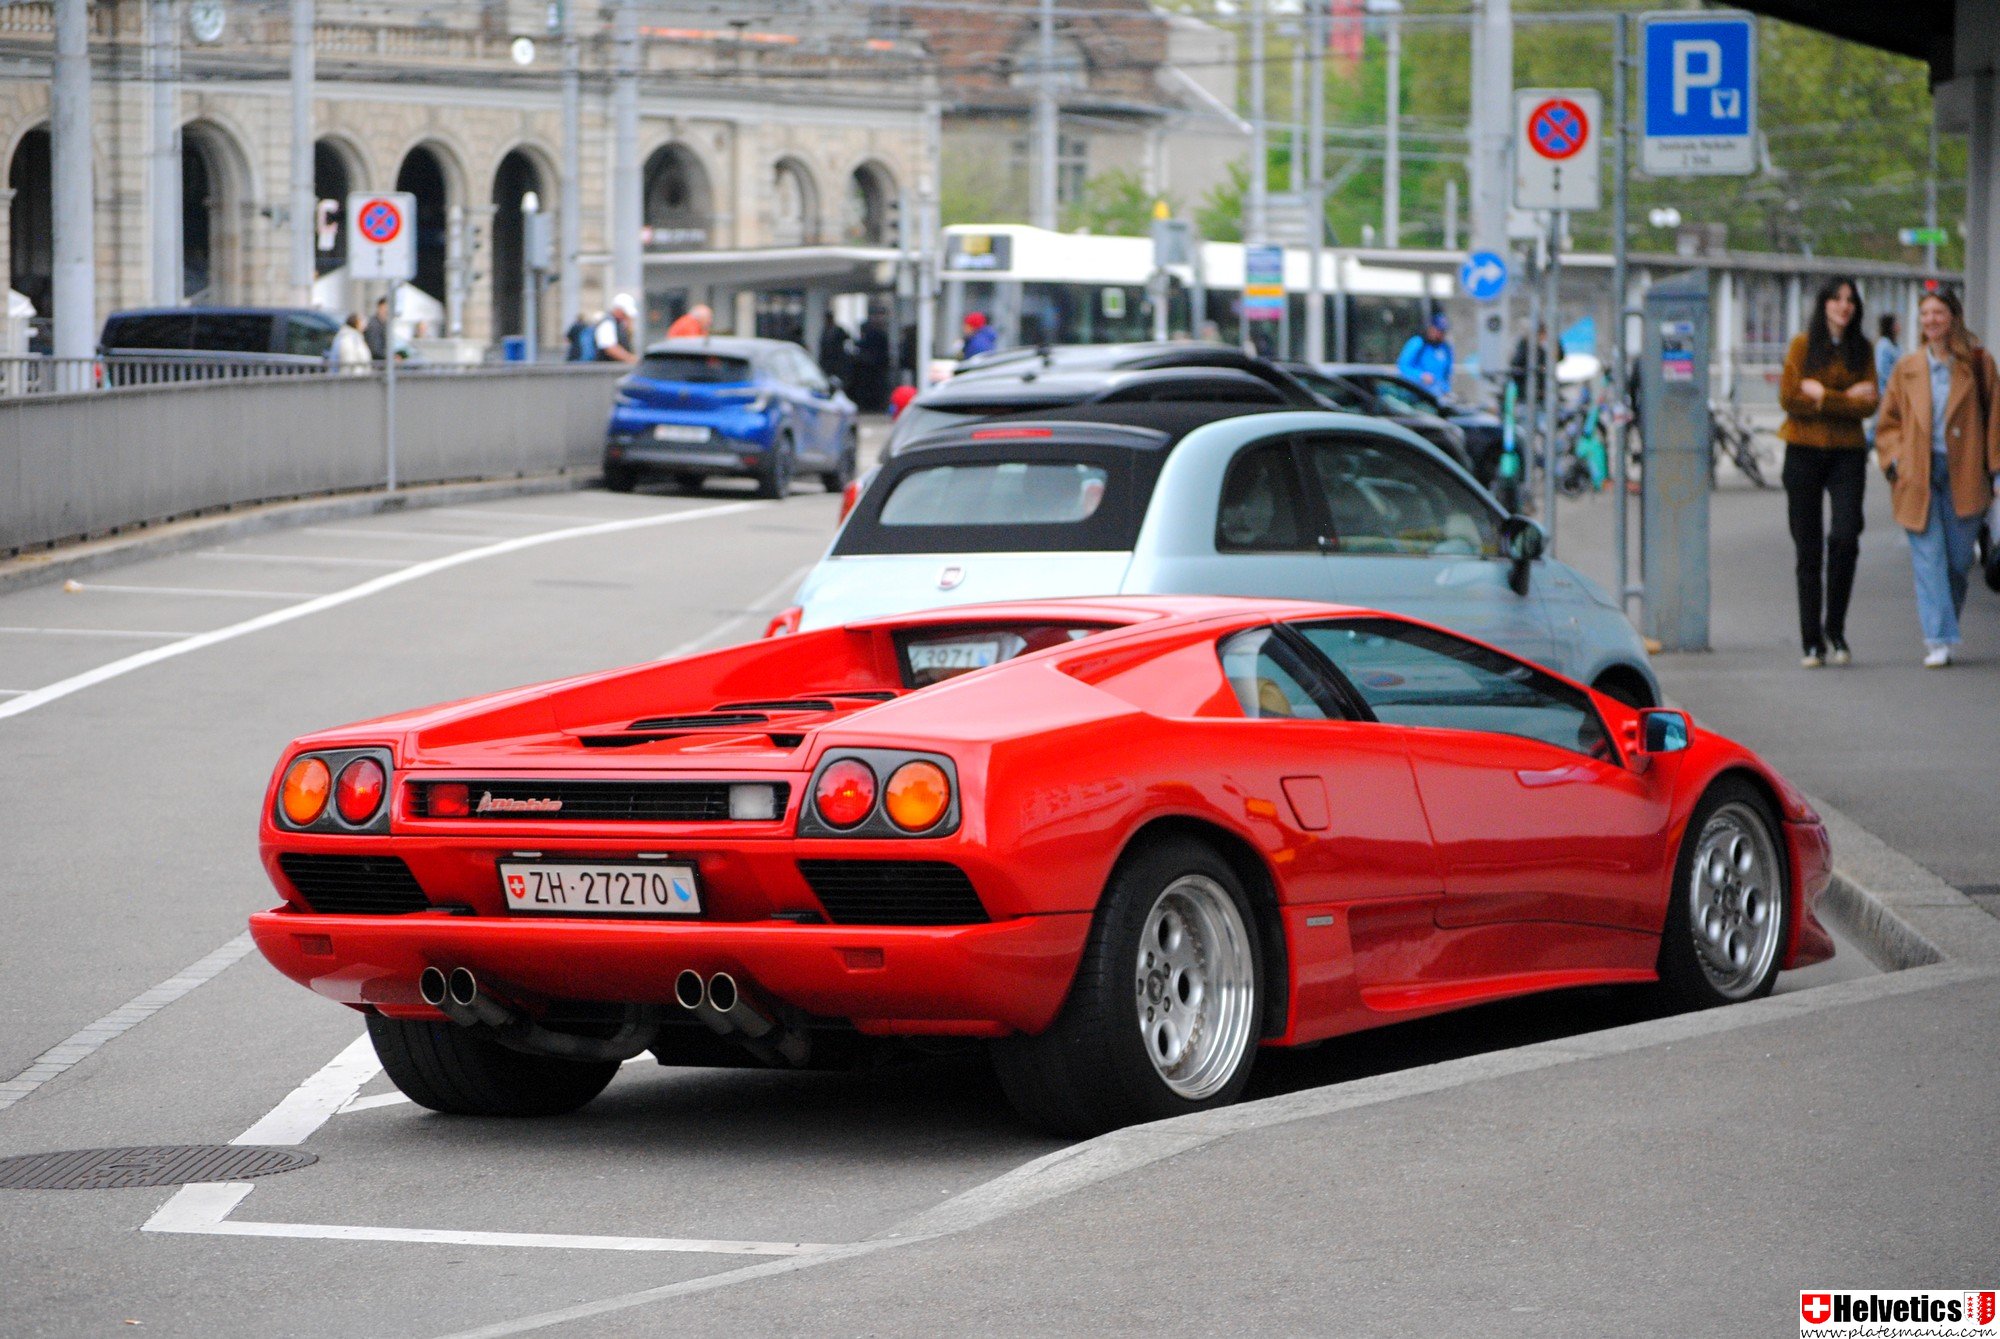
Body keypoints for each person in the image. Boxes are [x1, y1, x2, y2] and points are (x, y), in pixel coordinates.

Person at [1873, 290, 2000, 668]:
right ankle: (1939, 639)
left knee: (1958, 562)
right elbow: (1888, 422)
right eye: (1925, 314)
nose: (1931, 320)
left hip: (1966, 473)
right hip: (1918, 474)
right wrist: (1894, 463)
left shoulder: (1978, 363)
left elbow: (1996, 421)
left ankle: (1943, 627)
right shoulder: (1907, 366)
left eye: (1938, 312)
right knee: (1929, 559)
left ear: (1953, 317)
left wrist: (1996, 471)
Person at [1778, 276, 1878, 668]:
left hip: (1847, 455)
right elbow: (1789, 397)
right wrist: (1843, 399)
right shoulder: (1802, 345)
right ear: (1824, 304)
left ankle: (1834, 627)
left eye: (1850, 300)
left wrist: (1822, 395)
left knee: (1846, 535)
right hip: (1803, 452)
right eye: (1837, 299)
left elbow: (1868, 405)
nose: (1844, 306)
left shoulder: (1863, 349)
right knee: (1808, 547)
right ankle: (1811, 640)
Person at [1397, 311, 1454, 397]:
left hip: (1437, 395)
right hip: (1417, 393)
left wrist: (1446, 390)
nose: (1441, 334)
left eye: (1443, 331)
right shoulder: (1418, 343)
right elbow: (1403, 366)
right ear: (1431, 329)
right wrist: (1420, 376)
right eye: (1438, 330)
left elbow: (1446, 374)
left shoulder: (1445, 348)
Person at [1868, 313, 1902, 446]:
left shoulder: (1896, 345)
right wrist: (1894, 383)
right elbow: (1881, 369)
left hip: (1895, 392)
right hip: (1884, 391)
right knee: (1879, 422)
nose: (1899, 326)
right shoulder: (1884, 345)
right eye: (1896, 323)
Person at [594, 294, 637, 363]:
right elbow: (609, 348)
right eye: (624, 313)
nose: (626, 316)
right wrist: (630, 359)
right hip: (607, 370)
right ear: (618, 309)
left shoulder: (618, 324)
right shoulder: (607, 323)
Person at [362, 297, 390, 362]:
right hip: (376, 364)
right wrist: (390, 357)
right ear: (380, 307)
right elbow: (375, 349)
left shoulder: (383, 324)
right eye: (385, 308)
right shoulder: (374, 325)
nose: (387, 311)